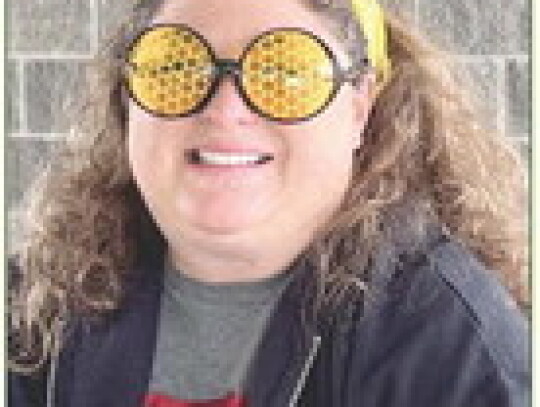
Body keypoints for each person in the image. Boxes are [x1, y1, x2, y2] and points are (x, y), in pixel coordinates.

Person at [8, 0, 529, 406]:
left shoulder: (447, 340)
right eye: (178, 67)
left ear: (359, 108)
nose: (225, 108)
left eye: (284, 73)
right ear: (128, 100)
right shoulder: (39, 309)